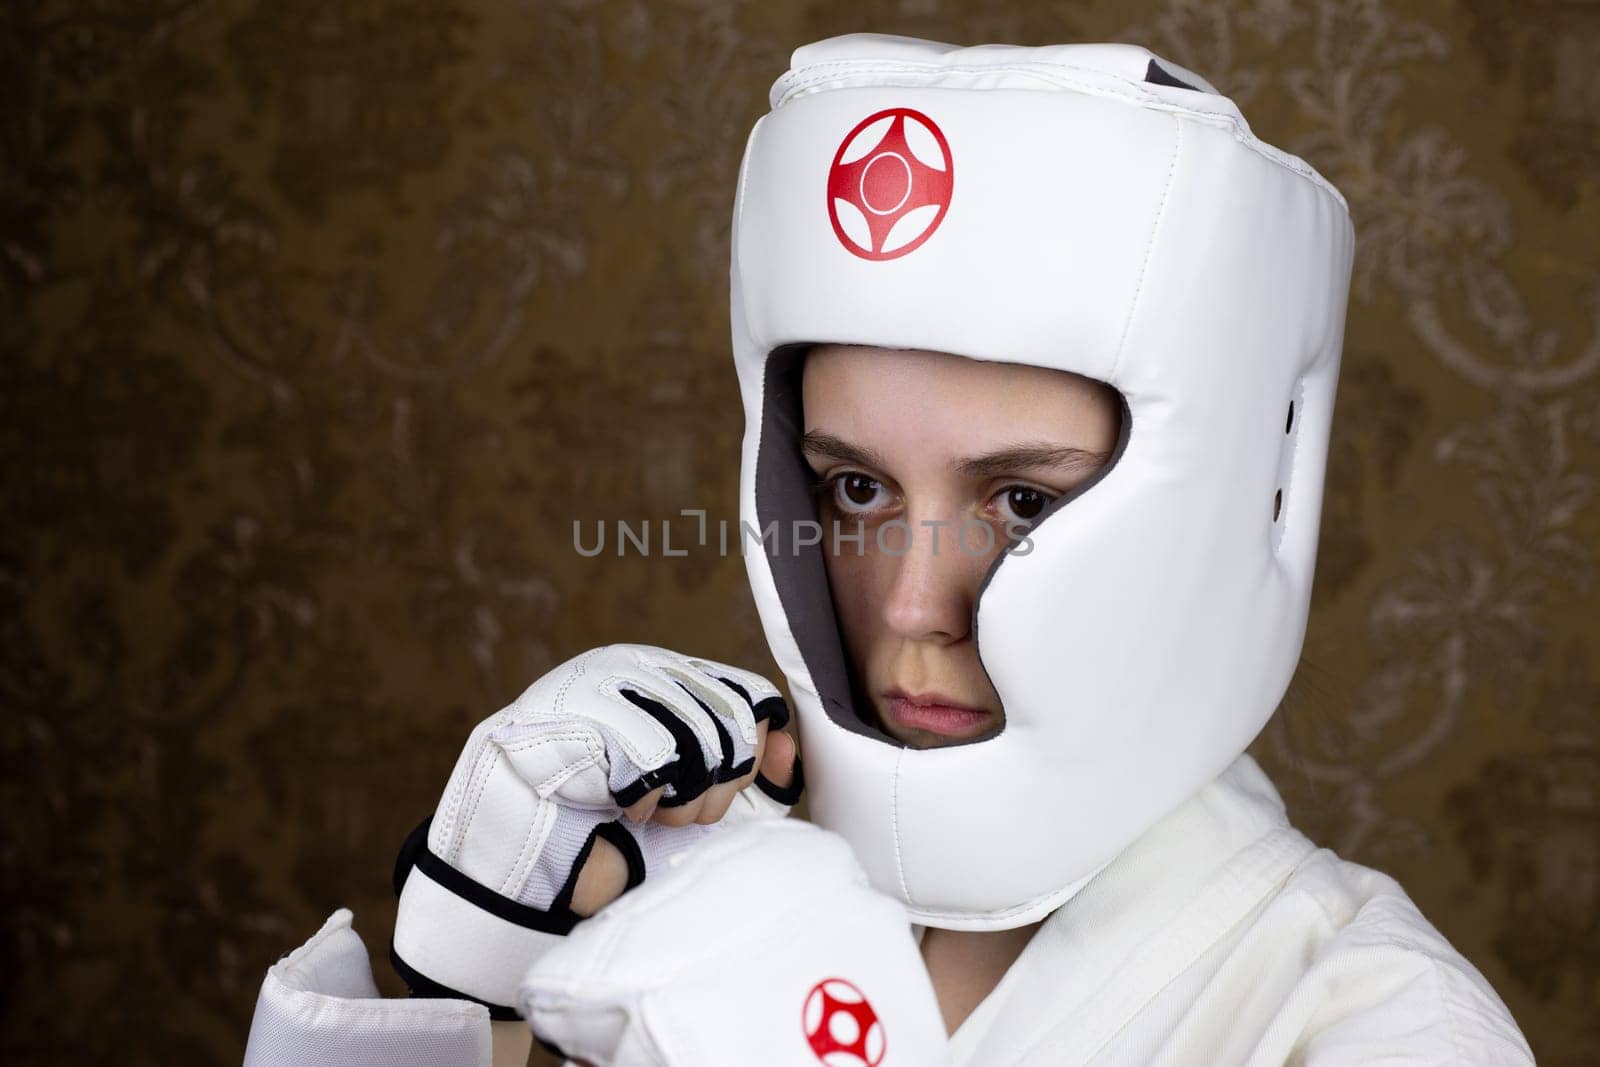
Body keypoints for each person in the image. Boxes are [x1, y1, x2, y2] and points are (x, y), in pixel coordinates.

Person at [242, 33, 1535, 1067]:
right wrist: (476, 973)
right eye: (854, 485)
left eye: (1022, 505)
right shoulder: (687, 886)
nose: (914, 605)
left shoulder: (1375, 1022)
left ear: (1244, 500)